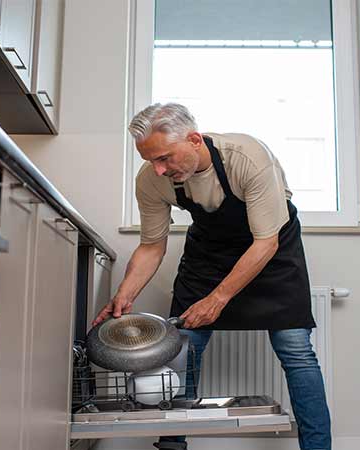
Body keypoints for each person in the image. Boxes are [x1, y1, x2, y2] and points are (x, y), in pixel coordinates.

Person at [93, 103, 332, 450]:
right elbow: (151, 246)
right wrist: (124, 295)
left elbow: (265, 241)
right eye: (150, 161)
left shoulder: (246, 157)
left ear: (193, 139)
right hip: (209, 254)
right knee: (182, 349)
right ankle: (172, 445)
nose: (157, 170)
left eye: (164, 158)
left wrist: (218, 298)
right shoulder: (152, 180)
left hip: (271, 250)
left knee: (295, 349)